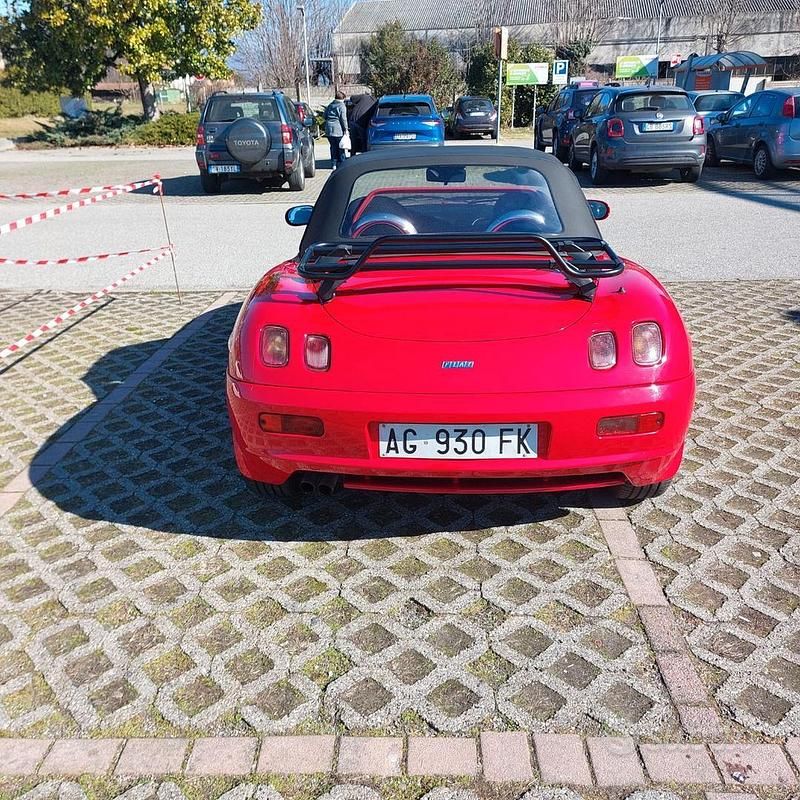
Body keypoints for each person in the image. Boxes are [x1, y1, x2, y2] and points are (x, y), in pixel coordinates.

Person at [323, 90, 349, 169]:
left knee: (333, 146)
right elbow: (343, 119)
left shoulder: (330, 105)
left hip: (328, 128)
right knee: (341, 147)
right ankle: (342, 163)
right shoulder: (341, 106)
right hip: (338, 129)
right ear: (343, 98)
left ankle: (333, 163)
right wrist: (346, 129)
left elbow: (324, 115)